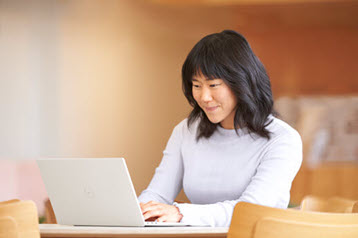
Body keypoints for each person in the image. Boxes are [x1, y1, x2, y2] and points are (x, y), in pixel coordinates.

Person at [138, 30, 302, 227]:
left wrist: (181, 212)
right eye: (196, 85)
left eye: (213, 85)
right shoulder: (186, 131)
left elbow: (251, 211)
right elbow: (157, 195)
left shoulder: (283, 139)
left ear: (242, 83)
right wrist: (139, 209)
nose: (204, 97)